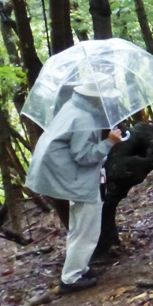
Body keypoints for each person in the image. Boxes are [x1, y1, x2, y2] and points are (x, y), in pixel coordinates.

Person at [25, 83, 122, 293]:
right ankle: (71, 278)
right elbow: (84, 156)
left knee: (78, 226)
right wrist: (109, 143)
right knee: (87, 228)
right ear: (96, 98)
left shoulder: (72, 107)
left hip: (63, 174)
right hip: (75, 178)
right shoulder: (84, 118)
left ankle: (79, 267)